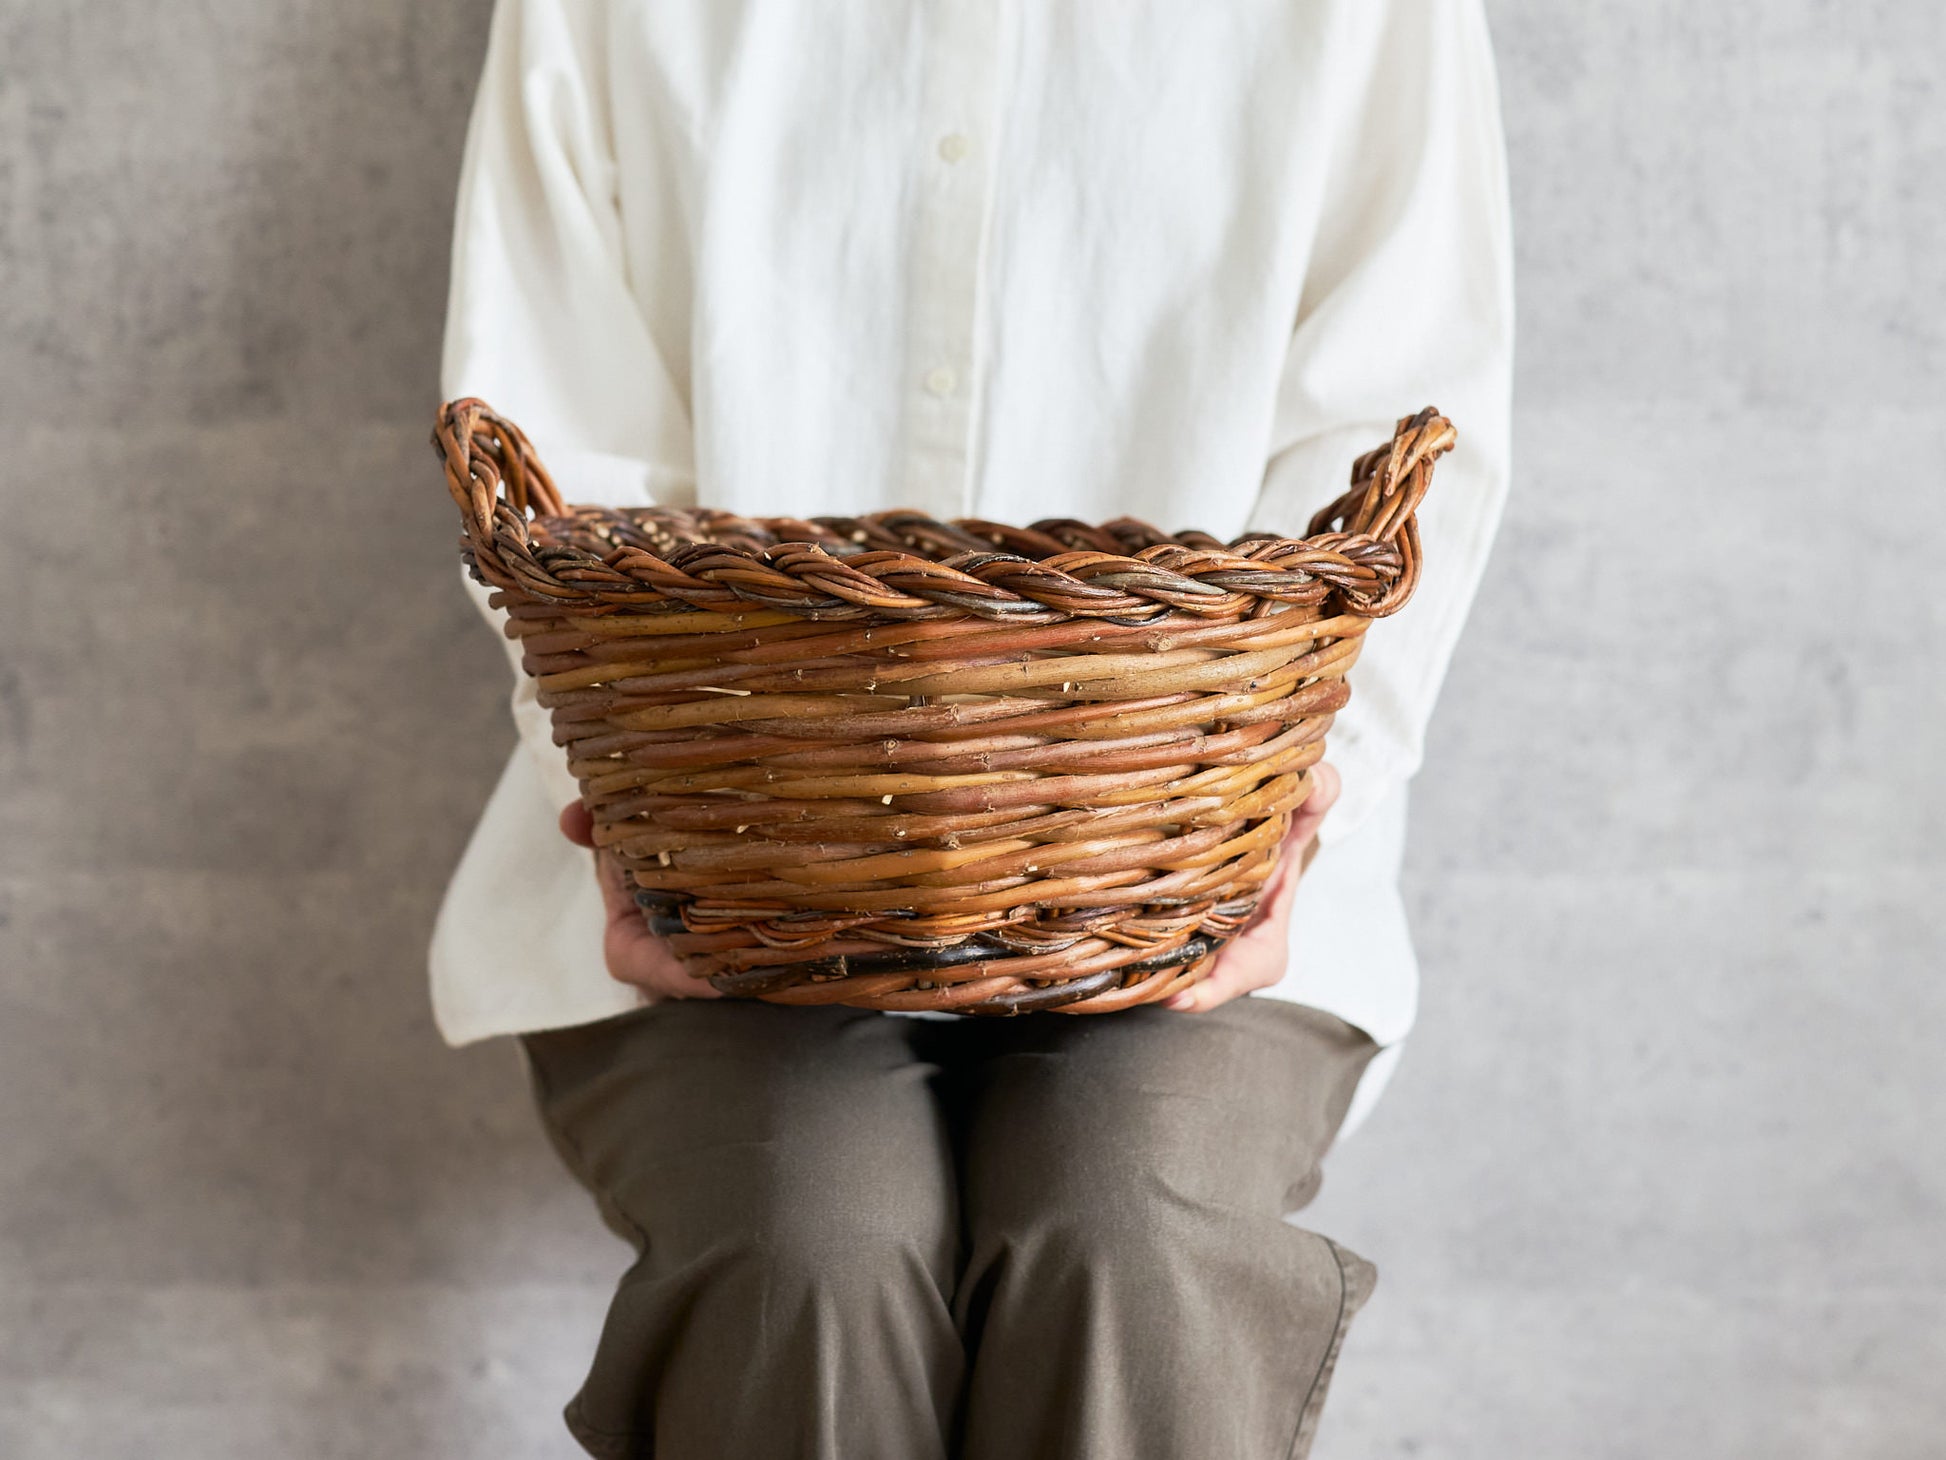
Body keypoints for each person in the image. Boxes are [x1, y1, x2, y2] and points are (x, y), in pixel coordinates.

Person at [429, 1, 1512, 1455]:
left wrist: (1294, 812)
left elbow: (1401, 422)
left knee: (1126, 1221)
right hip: (708, 891)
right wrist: (636, 793)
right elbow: (549, 433)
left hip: (1216, 897)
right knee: (808, 1238)